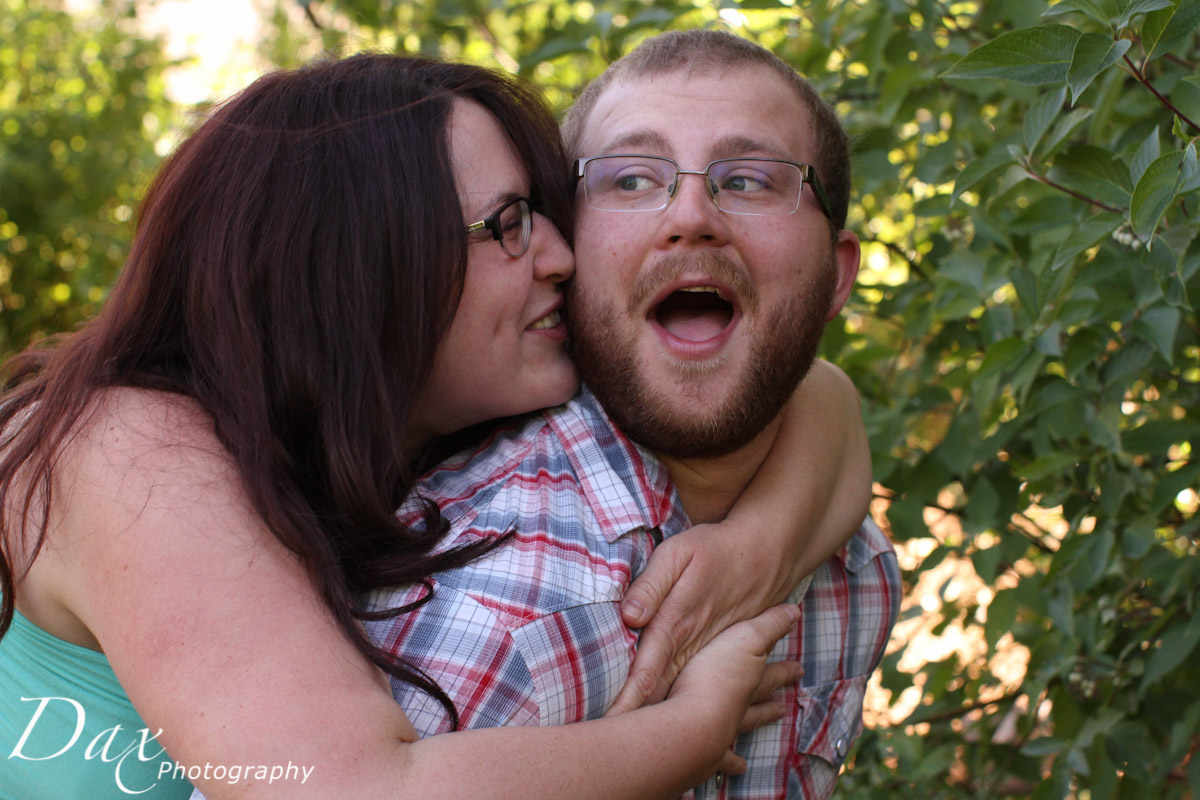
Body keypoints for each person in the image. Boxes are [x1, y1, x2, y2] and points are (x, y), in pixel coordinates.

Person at [0, 54, 867, 800]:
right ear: (358, 262)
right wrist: (692, 728)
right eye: (510, 225)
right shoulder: (132, 450)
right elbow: (348, 792)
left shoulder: (383, 448)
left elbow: (818, 390)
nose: (561, 258)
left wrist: (758, 545)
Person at [368, 29, 903, 799]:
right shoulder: (495, 616)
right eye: (628, 179)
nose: (692, 215)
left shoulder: (857, 571)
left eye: (751, 179)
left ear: (836, 276)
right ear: (566, 251)